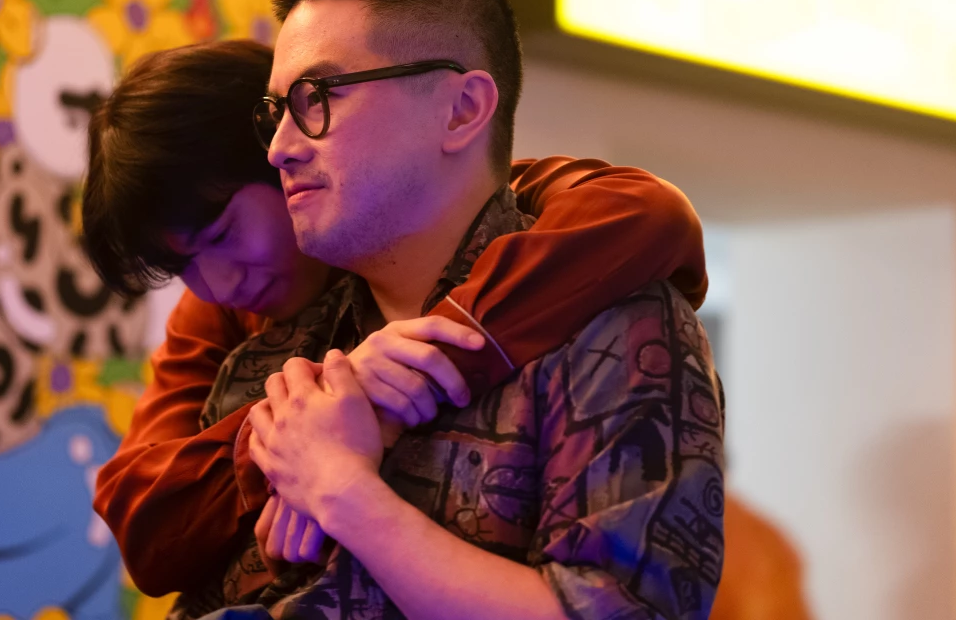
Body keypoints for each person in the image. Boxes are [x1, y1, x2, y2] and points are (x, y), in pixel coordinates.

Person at [187, 0, 726, 619]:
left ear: (463, 109)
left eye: (316, 96)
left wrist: (341, 492)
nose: (280, 148)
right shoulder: (278, 359)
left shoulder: (612, 329)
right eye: (277, 112)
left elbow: (620, 612)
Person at [84, 40, 710, 602]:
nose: (218, 282)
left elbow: (648, 213)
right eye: (182, 265)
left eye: (223, 234)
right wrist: (302, 429)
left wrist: (422, 371)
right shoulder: (222, 309)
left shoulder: (484, 221)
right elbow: (145, 522)